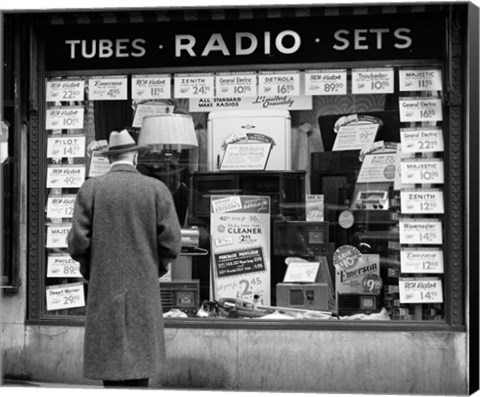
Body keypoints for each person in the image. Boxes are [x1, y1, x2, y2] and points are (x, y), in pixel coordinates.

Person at [67, 129, 182, 388]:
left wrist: (92, 270)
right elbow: (172, 243)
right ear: (135, 158)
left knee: (111, 368)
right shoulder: (156, 189)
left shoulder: (92, 188)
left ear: (109, 159)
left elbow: (77, 242)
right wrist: (155, 268)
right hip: (144, 289)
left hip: (104, 288)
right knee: (141, 365)